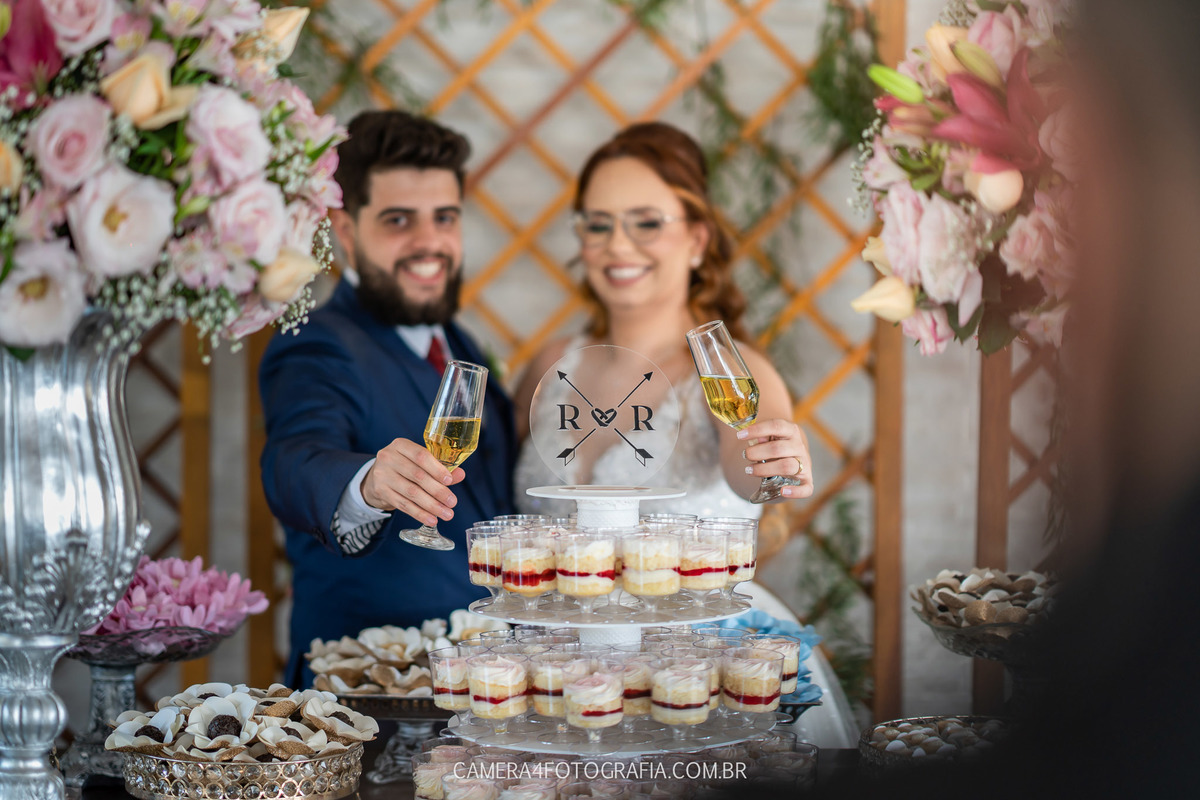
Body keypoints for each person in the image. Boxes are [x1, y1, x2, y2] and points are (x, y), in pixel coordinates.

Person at [259, 110, 517, 688]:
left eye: (444, 218)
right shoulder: (316, 343)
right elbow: (294, 457)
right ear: (346, 232)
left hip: (477, 692)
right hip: (366, 699)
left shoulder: (455, 343)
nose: (429, 242)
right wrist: (368, 482)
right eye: (399, 220)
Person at [512, 122, 813, 518]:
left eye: (647, 222)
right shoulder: (549, 369)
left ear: (697, 240)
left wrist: (776, 465)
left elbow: (754, 473)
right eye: (599, 224)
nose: (617, 245)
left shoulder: (730, 373)